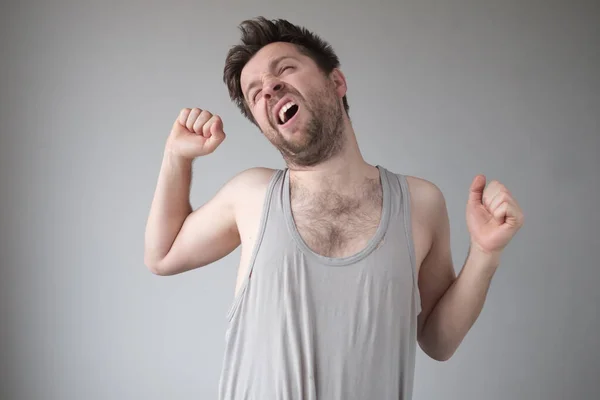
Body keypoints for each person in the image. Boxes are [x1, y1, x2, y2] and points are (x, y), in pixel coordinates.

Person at [144, 17, 524, 400]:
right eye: (255, 92)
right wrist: (176, 158)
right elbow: (162, 255)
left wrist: (485, 254)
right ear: (263, 125)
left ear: (337, 83)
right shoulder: (250, 194)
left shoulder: (421, 203)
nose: (269, 89)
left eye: (285, 69)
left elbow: (438, 342)